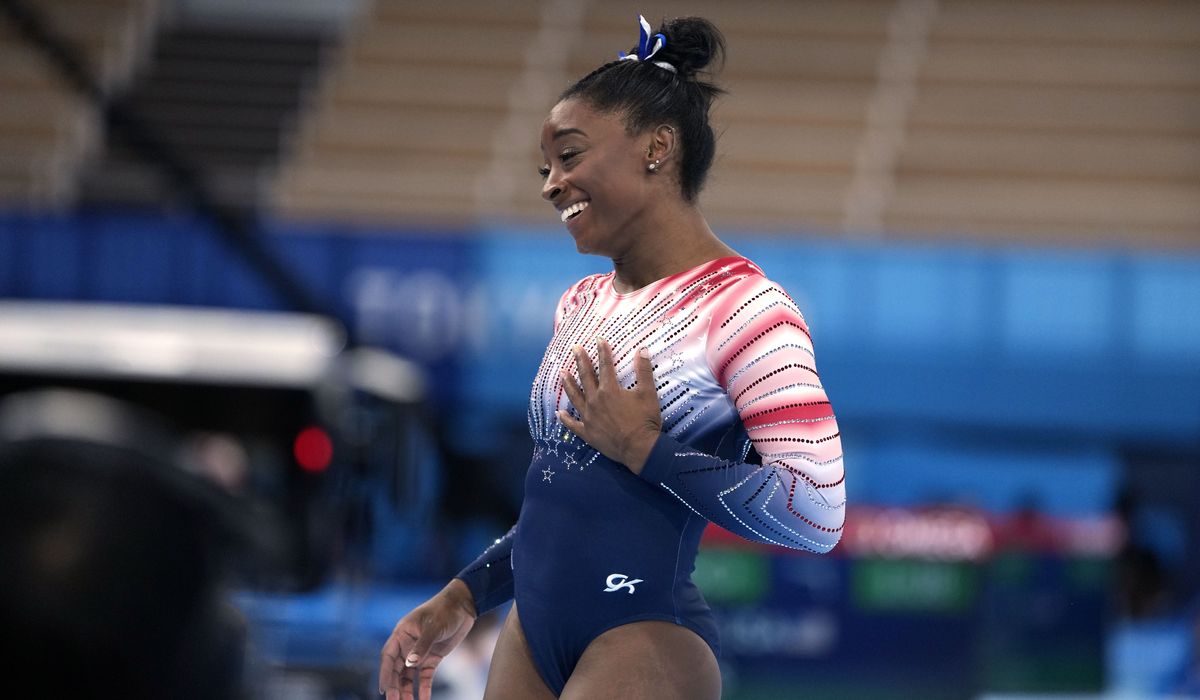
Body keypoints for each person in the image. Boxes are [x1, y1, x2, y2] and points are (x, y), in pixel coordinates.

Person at [379, 15, 846, 700]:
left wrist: (648, 448)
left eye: (569, 157)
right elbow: (565, 492)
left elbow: (816, 513)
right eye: (546, 168)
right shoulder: (581, 304)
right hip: (530, 637)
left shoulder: (747, 311)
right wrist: (464, 594)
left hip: (644, 641)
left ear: (658, 147)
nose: (550, 185)